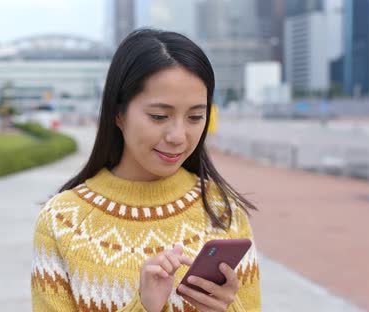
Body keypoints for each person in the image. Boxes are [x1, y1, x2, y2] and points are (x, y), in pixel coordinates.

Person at [31, 29, 260, 312]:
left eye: (195, 117)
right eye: (159, 116)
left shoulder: (224, 212)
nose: (178, 135)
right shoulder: (62, 221)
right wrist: (144, 306)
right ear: (118, 113)